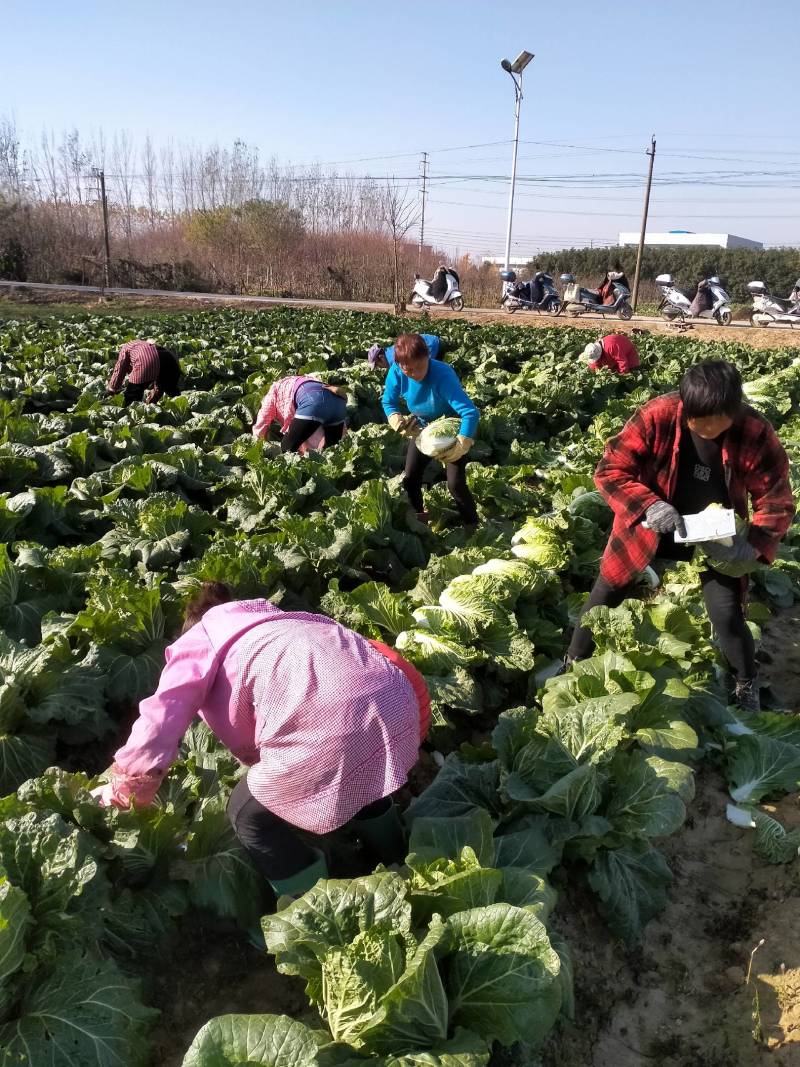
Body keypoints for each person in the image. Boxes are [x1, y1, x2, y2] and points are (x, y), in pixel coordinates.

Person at [92, 581, 430, 898]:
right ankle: (401, 862)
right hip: (400, 704)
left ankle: (314, 911)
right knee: (361, 764)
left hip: (334, 728)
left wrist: (125, 794)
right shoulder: (284, 622)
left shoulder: (199, 642)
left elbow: (158, 721)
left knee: (246, 814)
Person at [564, 361, 794, 711]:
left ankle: (746, 682)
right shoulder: (658, 414)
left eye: (715, 426)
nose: (704, 432)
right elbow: (610, 469)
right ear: (684, 406)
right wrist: (649, 506)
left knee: (727, 613)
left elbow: (775, 497)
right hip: (653, 519)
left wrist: (753, 547)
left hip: (715, 534)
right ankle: (574, 660)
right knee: (608, 587)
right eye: (696, 423)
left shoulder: (755, 432)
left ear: (735, 412)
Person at [382, 332, 480, 526]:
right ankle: (419, 520)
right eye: (408, 370)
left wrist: (462, 443)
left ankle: (472, 525)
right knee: (410, 480)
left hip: (451, 433)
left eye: (419, 367)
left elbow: (470, 412)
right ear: (399, 365)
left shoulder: (442, 374)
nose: (415, 374)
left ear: (428, 356)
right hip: (423, 431)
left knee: (455, 484)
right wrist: (395, 419)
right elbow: (388, 401)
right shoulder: (396, 372)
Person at [252, 375, 347, 453]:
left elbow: (263, 419)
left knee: (287, 449)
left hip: (313, 402)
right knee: (332, 452)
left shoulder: (273, 392)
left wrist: (257, 445)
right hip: (338, 402)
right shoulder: (306, 380)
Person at [106, 339, 182, 406]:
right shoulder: (145, 345)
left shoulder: (125, 348)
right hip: (172, 360)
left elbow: (120, 369)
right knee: (172, 394)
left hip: (146, 360)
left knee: (131, 397)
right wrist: (151, 402)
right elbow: (160, 381)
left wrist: (111, 389)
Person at [367, 333, 442, 372]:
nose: (379, 367)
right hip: (431, 339)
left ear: (381, 357)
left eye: (377, 364)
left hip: (431, 345)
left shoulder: (394, 360)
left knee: (428, 371)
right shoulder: (388, 351)